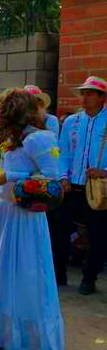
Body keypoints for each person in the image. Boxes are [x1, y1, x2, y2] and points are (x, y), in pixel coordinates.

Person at [0, 89, 64, 350]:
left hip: (23, 219)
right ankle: (0, 331)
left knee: (25, 274)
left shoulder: (38, 140)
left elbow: (52, 181)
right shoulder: (1, 140)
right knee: (0, 275)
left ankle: (26, 337)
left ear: (9, 111)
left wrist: (8, 177)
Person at [55, 75, 107, 294]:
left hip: (98, 188)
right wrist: (63, 177)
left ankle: (89, 277)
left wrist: (105, 172)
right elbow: (62, 152)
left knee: (98, 234)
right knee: (60, 230)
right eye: (83, 94)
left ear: (102, 97)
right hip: (72, 187)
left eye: (90, 94)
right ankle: (59, 274)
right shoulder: (71, 122)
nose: (85, 98)